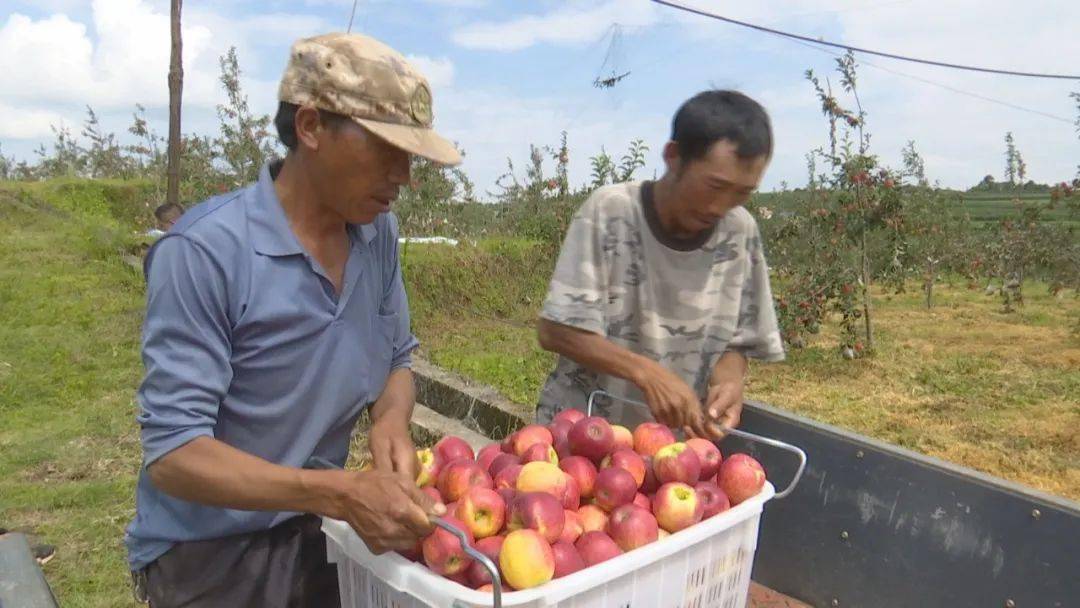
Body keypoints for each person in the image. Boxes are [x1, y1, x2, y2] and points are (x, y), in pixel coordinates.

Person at [125, 32, 461, 607]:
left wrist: (390, 422)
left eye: (411, 156)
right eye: (387, 148)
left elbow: (397, 359)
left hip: (316, 527)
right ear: (311, 128)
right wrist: (335, 492)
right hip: (208, 550)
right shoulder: (204, 253)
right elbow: (176, 455)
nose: (404, 175)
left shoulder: (376, 236)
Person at [535, 90, 785, 437]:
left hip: (670, 448)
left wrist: (729, 381)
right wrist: (647, 372)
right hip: (581, 438)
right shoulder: (611, 213)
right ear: (673, 156)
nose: (720, 207)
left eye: (742, 193)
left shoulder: (740, 231)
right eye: (714, 186)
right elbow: (556, 330)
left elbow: (738, 343)